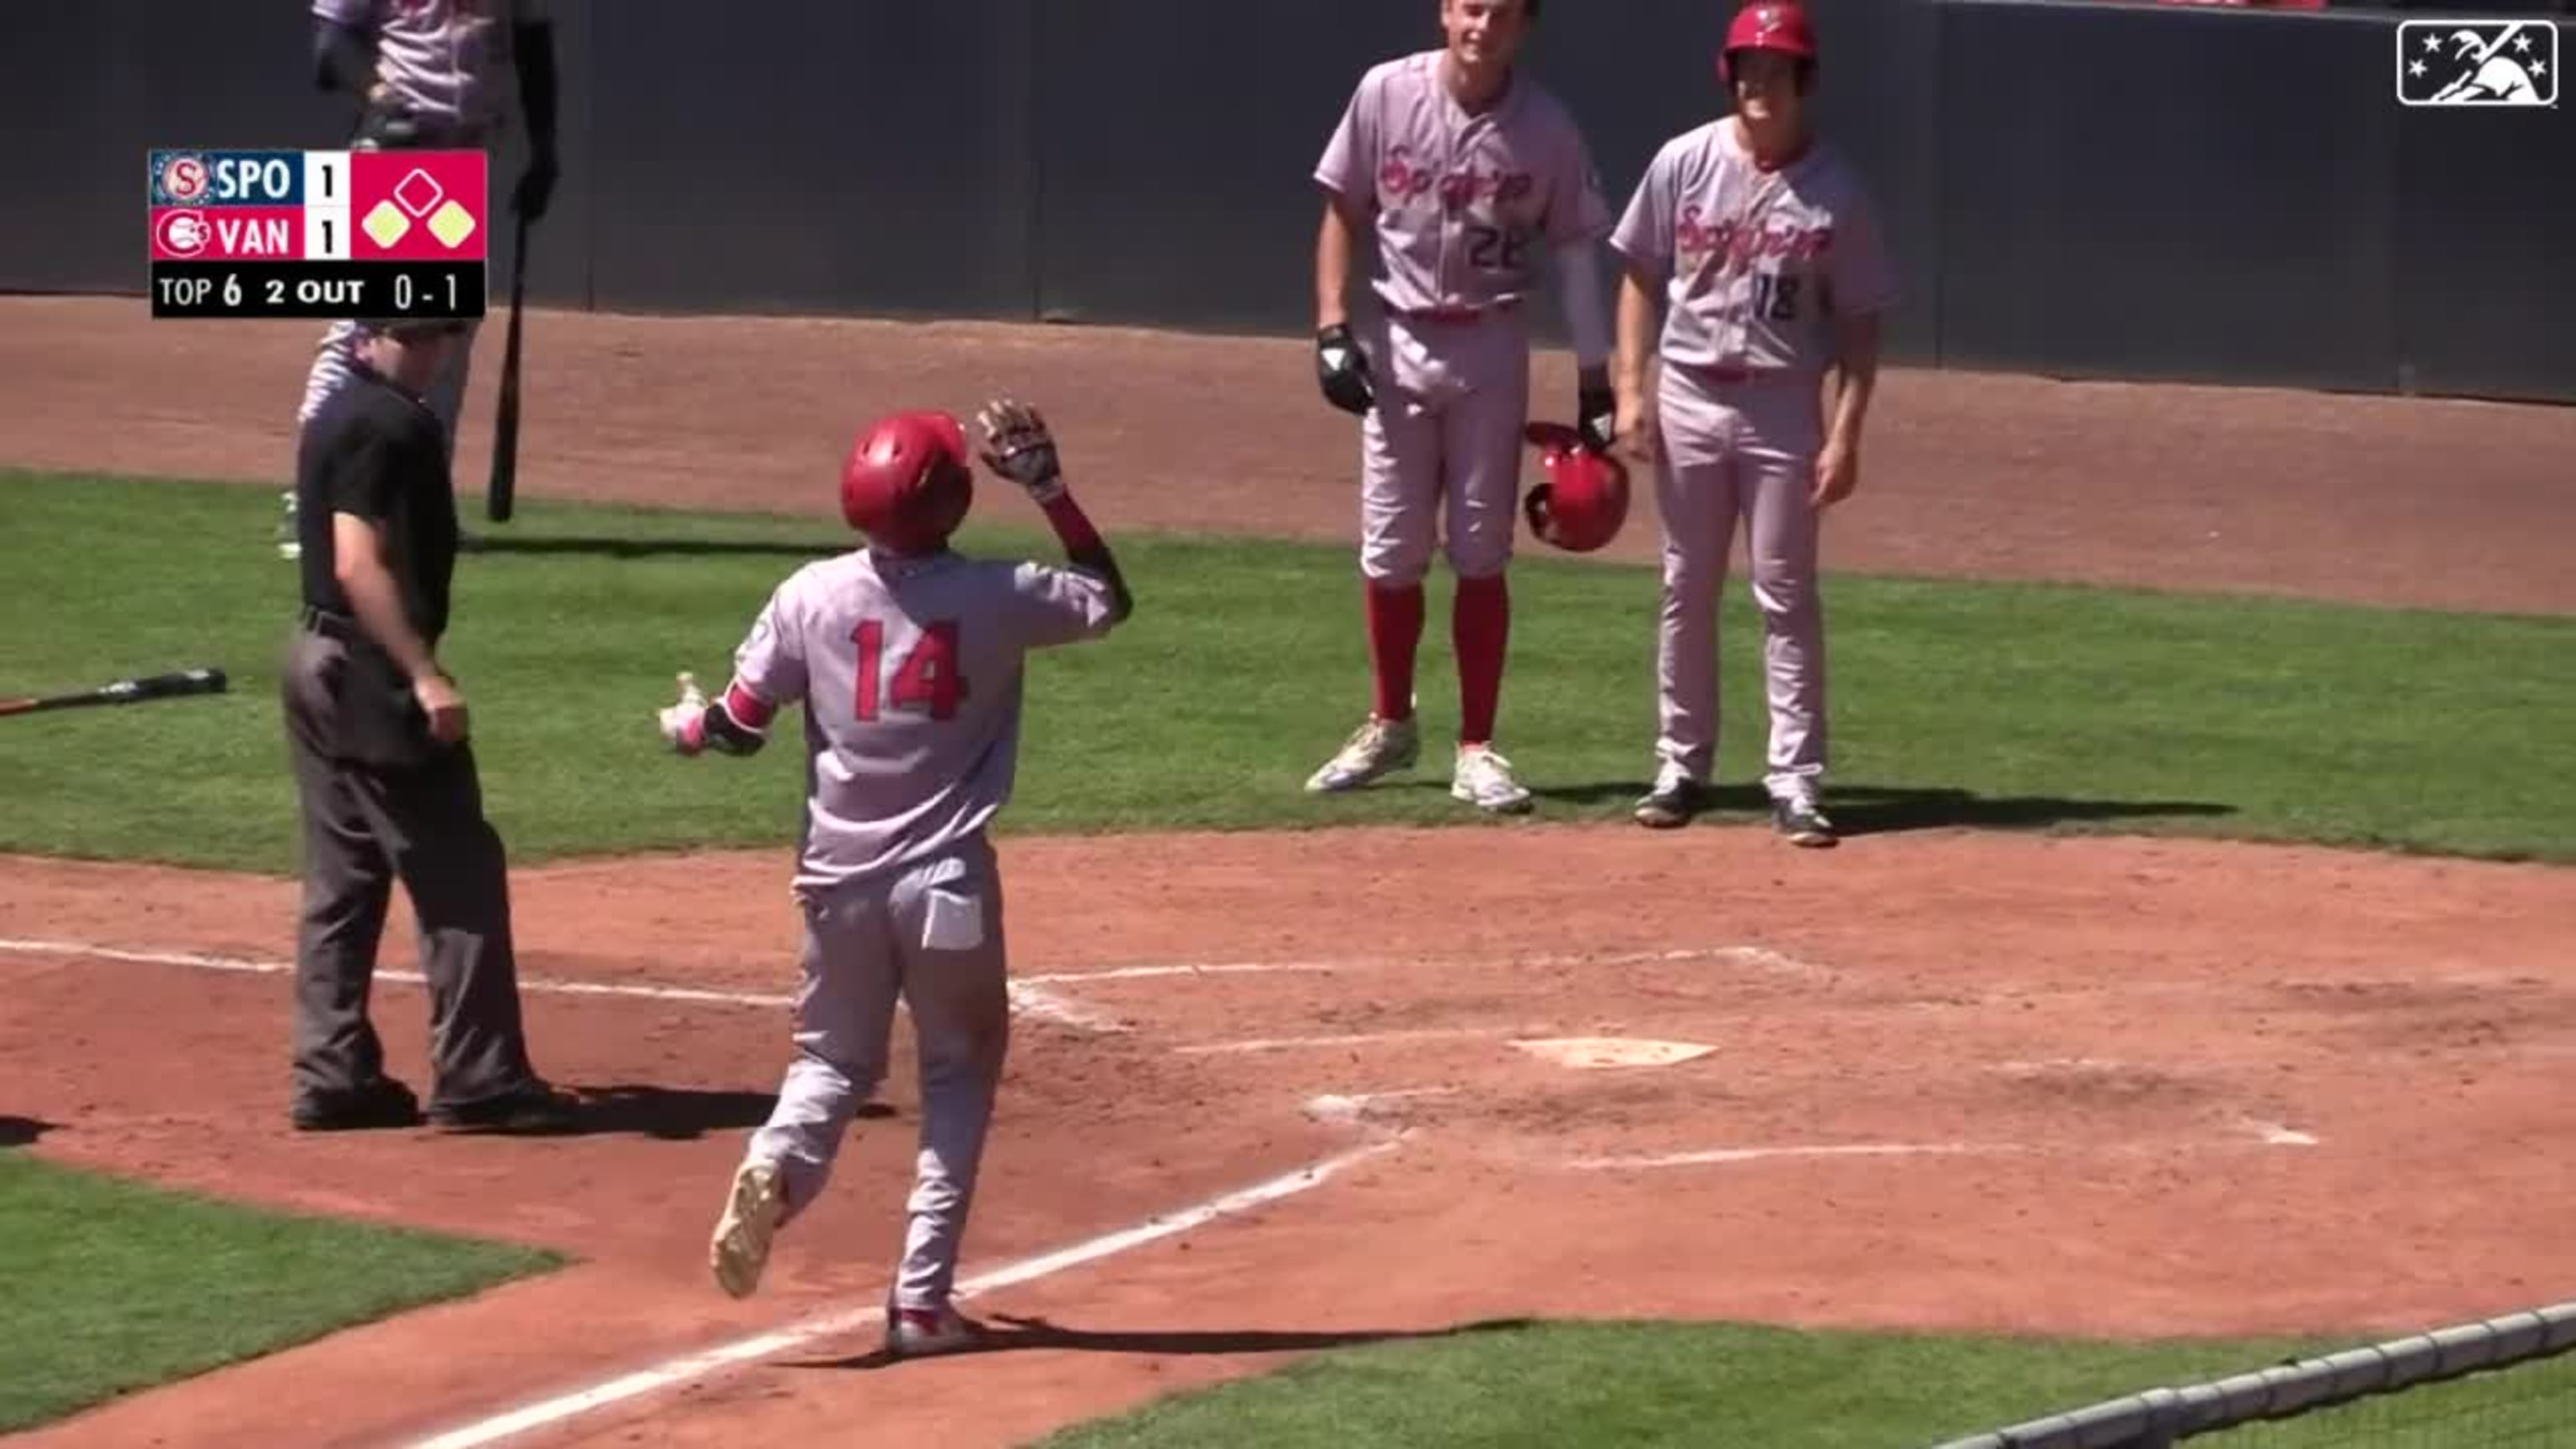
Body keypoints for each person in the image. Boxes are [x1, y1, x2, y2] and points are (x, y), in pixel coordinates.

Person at [658, 397, 1134, 1358]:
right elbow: (1107, 597)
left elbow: (741, 726)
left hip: (836, 886)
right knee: (957, 1074)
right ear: (956, 498)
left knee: (832, 1062)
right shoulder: (1000, 594)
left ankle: (780, 1160)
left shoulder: (809, 595)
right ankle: (920, 1302)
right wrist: (1048, 486)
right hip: (946, 886)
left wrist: (687, 727)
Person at [1305, 0, 1618, 814]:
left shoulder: (1547, 127)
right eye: (1472, 5)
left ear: (1526, 27)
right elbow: (1343, 207)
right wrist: (1332, 328)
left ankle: (1477, 746)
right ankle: (1389, 722)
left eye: (1504, 12)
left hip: (1490, 345)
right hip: (1398, 339)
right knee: (1390, 546)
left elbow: (1578, 248)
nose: (1484, 24)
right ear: (1446, 11)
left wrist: (1597, 382)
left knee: (1481, 550)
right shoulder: (1385, 93)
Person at [1607, 2, 1897, 849]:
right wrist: (1631, 390)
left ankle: (1797, 779)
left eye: (1776, 70)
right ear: (1729, 76)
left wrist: (1847, 432)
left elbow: (1861, 322)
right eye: (1748, 70)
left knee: (1784, 593)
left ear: (1805, 81)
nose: (1760, 85)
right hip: (1690, 391)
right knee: (1685, 585)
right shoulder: (1683, 162)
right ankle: (1681, 764)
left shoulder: (1837, 190)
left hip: (1781, 404)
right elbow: (1637, 276)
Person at [281, 315, 575, 1132]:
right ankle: (481, 1080)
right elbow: (355, 559)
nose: (433, 351)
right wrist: (421, 673)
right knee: (458, 869)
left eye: (442, 334)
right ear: (365, 335)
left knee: (342, 878)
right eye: (414, 335)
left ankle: (331, 1073)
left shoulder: (337, 412)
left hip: (313, 657)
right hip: (371, 673)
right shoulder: (390, 424)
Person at [278, 0, 562, 558]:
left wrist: (545, 152)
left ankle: (420, 507)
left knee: (447, 337)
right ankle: (310, 501)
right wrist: (380, 98)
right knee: (362, 328)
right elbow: (330, 46)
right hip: (398, 155)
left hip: (467, 156)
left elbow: (534, 47)